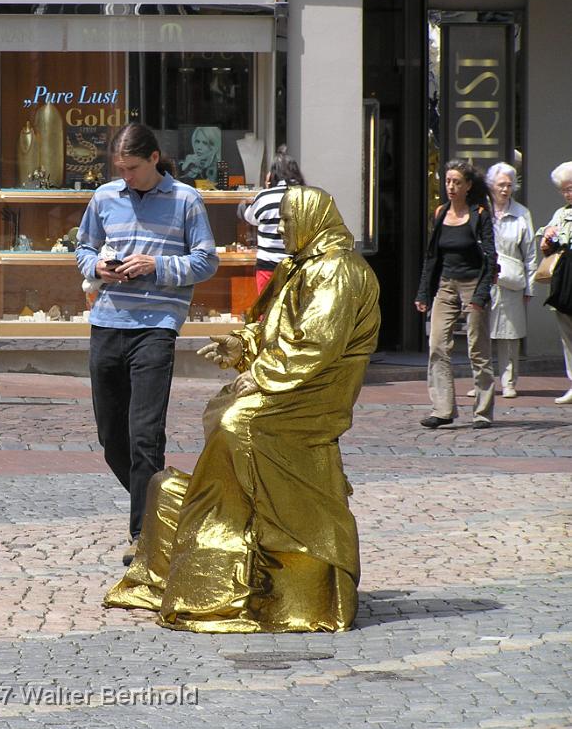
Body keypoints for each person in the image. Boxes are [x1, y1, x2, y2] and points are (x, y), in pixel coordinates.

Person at [104, 186, 380, 632]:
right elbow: (271, 327)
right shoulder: (298, 267)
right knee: (223, 409)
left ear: (311, 220)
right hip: (292, 381)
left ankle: (242, 532)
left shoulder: (337, 271)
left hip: (315, 393)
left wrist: (266, 373)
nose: (282, 231)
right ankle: (225, 517)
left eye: (287, 223)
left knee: (237, 422)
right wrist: (241, 345)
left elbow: (316, 342)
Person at [75, 122, 218, 566]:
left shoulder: (186, 200)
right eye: (120, 169)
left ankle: (144, 535)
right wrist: (99, 267)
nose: (127, 177)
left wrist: (156, 265)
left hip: (157, 325)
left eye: (133, 168)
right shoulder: (103, 198)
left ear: (154, 158)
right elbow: (81, 249)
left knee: (144, 434)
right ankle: (163, 507)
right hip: (108, 320)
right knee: (110, 435)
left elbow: (206, 261)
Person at [415, 159, 496, 429]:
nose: (451, 186)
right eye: (448, 181)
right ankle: (442, 409)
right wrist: (423, 293)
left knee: (477, 349)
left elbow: (490, 257)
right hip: (446, 285)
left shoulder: (480, 213)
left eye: (457, 182)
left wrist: (480, 295)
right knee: (437, 345)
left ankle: (482, 412)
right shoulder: (440, 213)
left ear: (468, 185)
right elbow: (431, 258)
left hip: (473, 284)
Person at [483, 162, 536, 399]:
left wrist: (530, 287)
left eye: (509, 185)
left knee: (510, 336)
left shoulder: (522, 213)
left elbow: (531, 253)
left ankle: (509, 382)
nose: (505, 189)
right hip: (485, 281)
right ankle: (483, 383)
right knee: (481, 334)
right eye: (501, 184)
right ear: (491, 185)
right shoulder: (482, 211)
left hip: (512, 282)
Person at [240, 146, 306, 293]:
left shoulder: (265, 197)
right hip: (297, 265)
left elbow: (249, 218)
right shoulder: (305, 196)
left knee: (267, 311)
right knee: (294, 312)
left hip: (268, 266)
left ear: (273, 174)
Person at [537, 161, 572, 404]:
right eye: (564, 190)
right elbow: (545, 246)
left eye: (571, 188)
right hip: (564, 278)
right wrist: (546, 238)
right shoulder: (560, 214)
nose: (568, 193)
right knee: (567, 334)